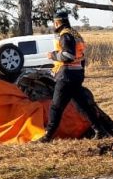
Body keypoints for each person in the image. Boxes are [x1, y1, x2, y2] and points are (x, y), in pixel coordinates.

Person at [34, 9, 107, 143]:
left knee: (55, 107)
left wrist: (53, 55)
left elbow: (68, 56)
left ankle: (47, 136)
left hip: (66, 75)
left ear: (57, 23)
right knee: (82, 105)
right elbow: (81, 57)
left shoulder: (65, 35)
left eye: (54, 23)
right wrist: (80, 73)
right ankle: (100, 130)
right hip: (76, 73)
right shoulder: (75, 34)